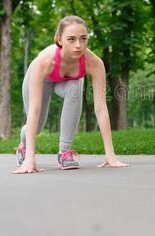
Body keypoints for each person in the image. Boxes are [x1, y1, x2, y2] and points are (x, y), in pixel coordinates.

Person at [13, 15, 130, 174]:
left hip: (66, 82)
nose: (78, 45)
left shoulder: (94, 63)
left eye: (83, 39)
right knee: (37, 124)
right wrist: (30, 159)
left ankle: (65, 152)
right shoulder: (44, 62)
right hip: (43, 79)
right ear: (59, 39)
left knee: (77, 84)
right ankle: (23, 147)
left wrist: (111, 155)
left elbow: (101, 108)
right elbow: (33, 111)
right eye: (71, 39)